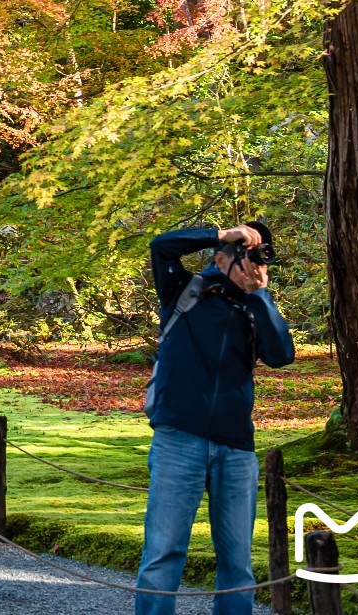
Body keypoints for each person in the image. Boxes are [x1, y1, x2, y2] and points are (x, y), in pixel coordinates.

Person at [134, 222, 294, 615]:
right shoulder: (185, 291)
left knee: (237, 562)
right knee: (164, 553)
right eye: (241, 253)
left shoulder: (254, 307)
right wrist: (219, 234)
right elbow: (161, 246)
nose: (249, 263)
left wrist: (260, 294)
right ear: (220, 258)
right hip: (178, 439)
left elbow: (281, 355)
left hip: (236, 446)